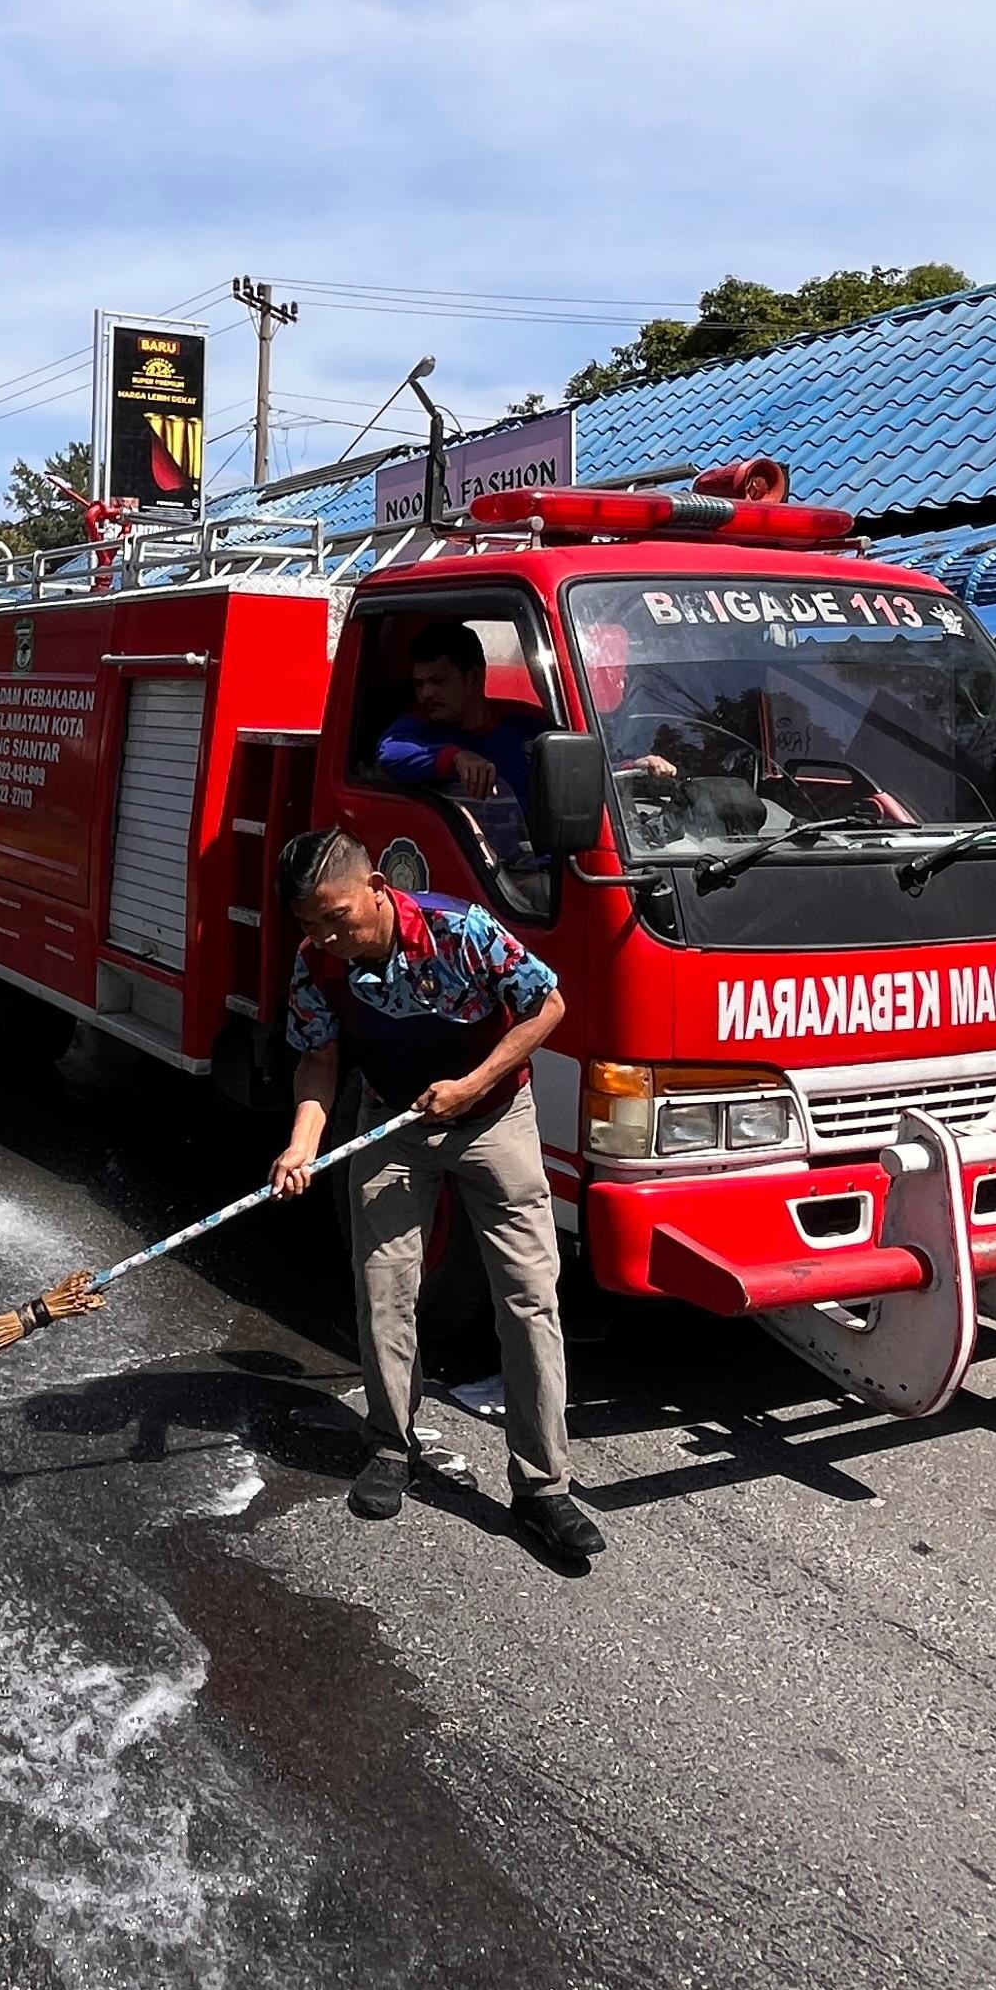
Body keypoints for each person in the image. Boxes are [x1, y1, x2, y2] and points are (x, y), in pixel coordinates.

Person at [267, 823, 603, 1567]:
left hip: (493, 1119)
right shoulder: (315, 962)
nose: (328, 938)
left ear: (377, 889)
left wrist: (473, 1085)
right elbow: (318, 1060)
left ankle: (543, 1486)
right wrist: (302, 1143)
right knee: (384, 1290)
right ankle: (391, 1445)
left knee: (528, 1298)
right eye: (311, 925)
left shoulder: (462, 931)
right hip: (392, 1120)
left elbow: (547, 1005)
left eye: (337, 918)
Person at [375, 620, 545, 859]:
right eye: (420, 684)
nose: (427, 693)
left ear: (473, 677)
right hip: (476, 866)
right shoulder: (420, 728)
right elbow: (390, 751)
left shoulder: (528, 724)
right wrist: (456, 758)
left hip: (539, 862)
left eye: (439, 681)